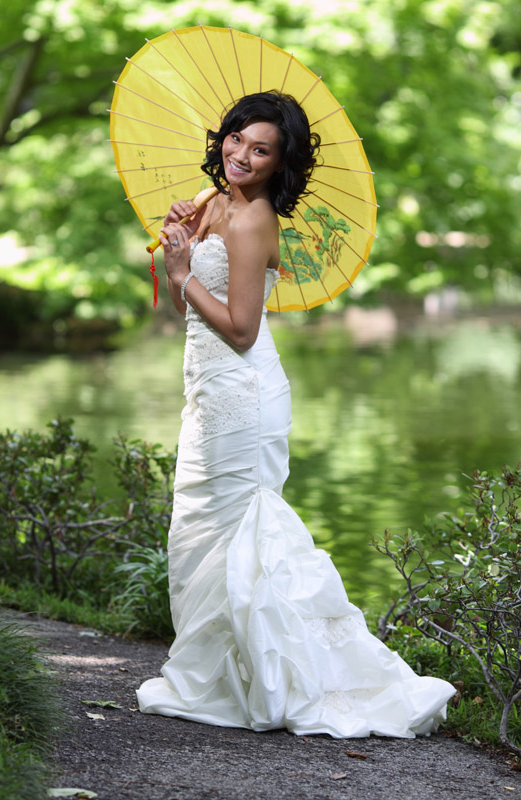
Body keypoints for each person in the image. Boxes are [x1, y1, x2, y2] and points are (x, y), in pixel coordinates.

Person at [136, 91, 455, 737]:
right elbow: (180, 308)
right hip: (206, 390)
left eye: (260, 149)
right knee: (200, 531)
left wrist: (184, 271)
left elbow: (243, 329)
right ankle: (223, 671)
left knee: (244, 533)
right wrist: (176, 251)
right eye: (235, 139)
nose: (241, 155)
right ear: (219, 138)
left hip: (243, 394)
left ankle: (286, 678)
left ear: (279, 163)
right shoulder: (209, 205)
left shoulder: (253, 219)